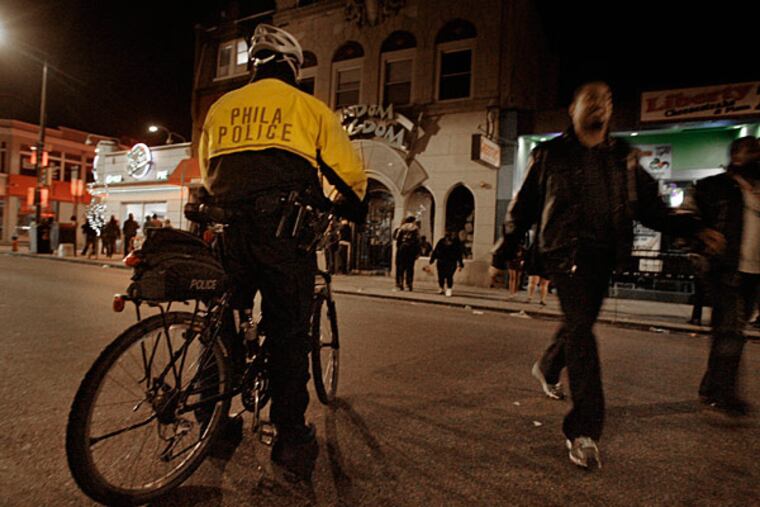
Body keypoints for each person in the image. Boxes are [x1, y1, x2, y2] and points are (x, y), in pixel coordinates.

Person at [490, 81, 724, 470]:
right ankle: (583, 430)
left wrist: (695, 228)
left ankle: (548, 365)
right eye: (590, 99)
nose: (599, 104)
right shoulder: (550, 154)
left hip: (603, 258)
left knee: (578, 323)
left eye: (606, 99)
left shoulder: (626, 159)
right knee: (582, 332)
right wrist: (506, 245)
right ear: (573, 109)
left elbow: (654, 210)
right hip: (564, 254)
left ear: (611, 111)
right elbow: (524, 205)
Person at [198, 23, 367, 481]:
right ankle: (290, 437)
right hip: (283, 231)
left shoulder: (221, 107)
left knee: (222, 322)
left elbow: (207, 170)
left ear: (255, 65)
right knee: (289, 332)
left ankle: (210, 424)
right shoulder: (309, 107)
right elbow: (347, 175)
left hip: (229, 227)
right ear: (292, 66)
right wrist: (353, 208)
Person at [693, 136, 760, 416]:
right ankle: (725, 394)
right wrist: (702, 245)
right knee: (731, 331)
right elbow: (693, 221)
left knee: (727, 331)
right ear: (735, 157)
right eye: (751, 152)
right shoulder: (713, 187)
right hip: (725, 268)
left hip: (754, 272)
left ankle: (710, 386)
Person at [429, 230, 464, 296]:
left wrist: (460, 263)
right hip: (443, 261)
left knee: (449, 275)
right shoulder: (442, 241)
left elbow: (459, 253)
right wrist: (432, 259)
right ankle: (442, 288)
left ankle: (448, 288)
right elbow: (436, 251)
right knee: (441, 276)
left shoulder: (455, 243)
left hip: (449, 262)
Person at [393, 216, 421, 291]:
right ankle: (409, 284)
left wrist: (399, 247)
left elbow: (397, 239)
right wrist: (417, 252)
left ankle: (399, 283)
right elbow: (418, 241)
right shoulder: (415, 229)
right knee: (410, 268)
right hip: (411, 250)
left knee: (400, 267)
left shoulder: (401, 228)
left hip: (402, 249)